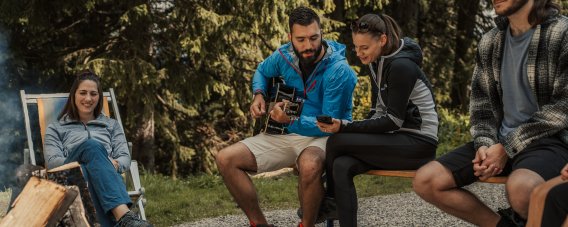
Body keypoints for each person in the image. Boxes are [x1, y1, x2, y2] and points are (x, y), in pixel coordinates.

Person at [413, 0, 568, 226]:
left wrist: (507, 147)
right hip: (499, 142)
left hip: (549, 140)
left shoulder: (562, 33)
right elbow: (481, 106)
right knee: (426, 181)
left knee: (521, 189)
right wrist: (485, 145)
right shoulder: (490, 41)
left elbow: (563, 107)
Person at [214, 6, 357, 227]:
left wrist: (289, 120)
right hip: (287, 131)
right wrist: (259, 94)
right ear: (290, 38)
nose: (308, 46)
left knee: (309, 164)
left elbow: (327, 124)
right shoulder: (284, 55)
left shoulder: (340, 70)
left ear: (321, 33)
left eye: (314, 38)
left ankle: (306, 225)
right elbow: (262, 71)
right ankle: (259, 224)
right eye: (301, 40)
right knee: (226, 158)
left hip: (325, 137)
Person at [316, 13, 438, 227]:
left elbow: (392, 121)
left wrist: (344, 127)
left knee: (336, 141)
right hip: (397, 140)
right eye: (356, 47)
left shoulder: (401, 66)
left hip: (418, 144)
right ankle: (336, 209)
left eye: (364, 48)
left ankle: (330, 201)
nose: (359, 53)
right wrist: (346, 127)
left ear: (382, 40)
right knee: (342, 165)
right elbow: (377, 112)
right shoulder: (377, 64)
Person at [44, 71, 152, 227]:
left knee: (93, 167)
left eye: (93, 94)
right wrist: (81, 163)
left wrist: (114, 164)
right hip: (70, 179)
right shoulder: (56, 128)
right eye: (83, 93)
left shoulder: (111, 125)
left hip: (104, 177)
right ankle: (125, 218)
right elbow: (53, 162)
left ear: (99, 97)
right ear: (74, 95)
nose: (88, 98)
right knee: (92, 147)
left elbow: (124, 156)